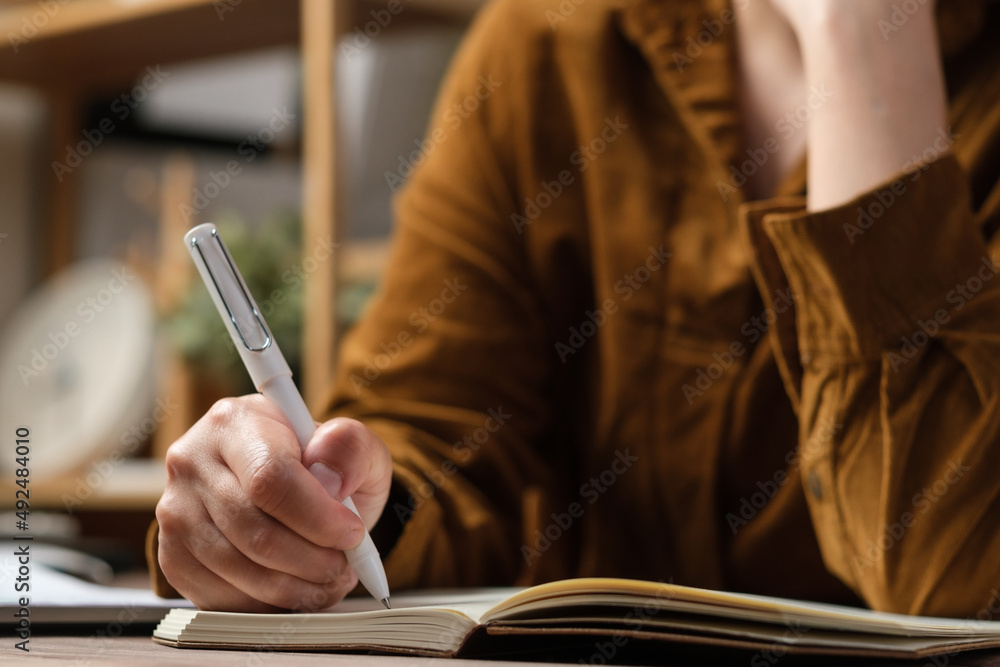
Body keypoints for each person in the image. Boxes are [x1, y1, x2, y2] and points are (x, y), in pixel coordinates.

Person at [150, 0, 1000, 617]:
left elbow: (952, 578)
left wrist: (860, 33)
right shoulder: (544, 42)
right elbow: (433, 437)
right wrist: (307, 515)